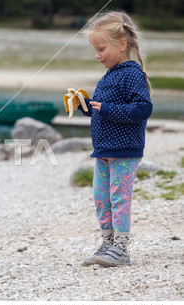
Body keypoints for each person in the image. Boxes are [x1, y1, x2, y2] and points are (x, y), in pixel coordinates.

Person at [78, 11, 153, 266]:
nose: (97, 55)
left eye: (101, 48)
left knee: (119, 197)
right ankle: (107, 243)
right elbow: (105, 107)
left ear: (122, 45)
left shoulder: (132, 74)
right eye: (95, 50)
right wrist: (88, 107)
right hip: (104, 149)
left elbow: (143, 109)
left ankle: (121, 248)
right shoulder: (110, 74)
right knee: (101, 197)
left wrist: (106, 109)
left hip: (124, 149)